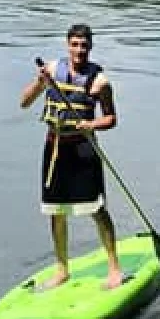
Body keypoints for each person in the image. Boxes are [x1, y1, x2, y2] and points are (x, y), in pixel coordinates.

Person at [17, 24, 124, 291]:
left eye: (84, 45)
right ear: (67, 45)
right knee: (56, 213)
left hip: (83, 150)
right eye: (74, 44)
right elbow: (24, 102)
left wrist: (91, 125)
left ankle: (114, 270)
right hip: (54, 149)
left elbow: (111, 119)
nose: (79, 50)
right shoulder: (52, 71)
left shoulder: (100, 82)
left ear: (90, 47)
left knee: (96, 210)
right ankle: (62, 270)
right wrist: (40, 82)